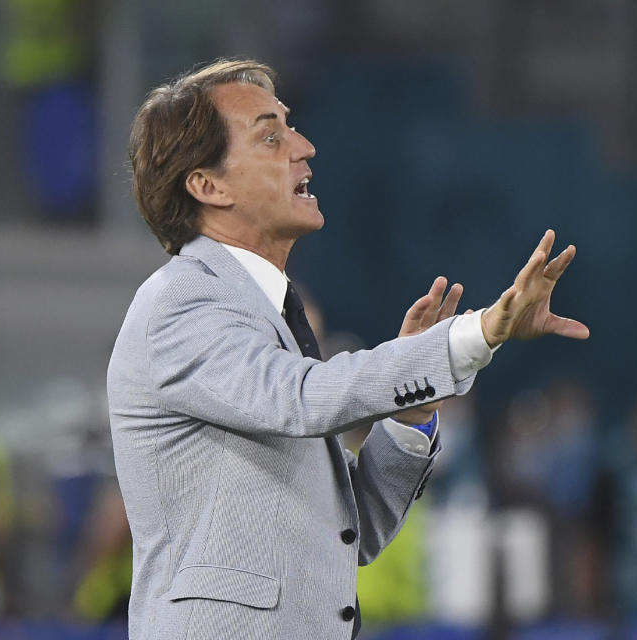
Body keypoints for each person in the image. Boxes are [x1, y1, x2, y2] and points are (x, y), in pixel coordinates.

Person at [107, 58, 588, 640]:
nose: (304, 147)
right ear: (208, 185)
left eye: (291, 127)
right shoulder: (181, 302)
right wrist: (474, 334)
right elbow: (303, 399)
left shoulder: (269, 316)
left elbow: (352, 530)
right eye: (270, 136)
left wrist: (410, 410)